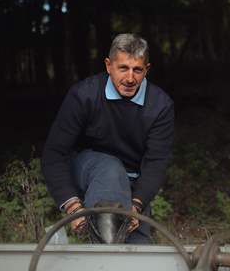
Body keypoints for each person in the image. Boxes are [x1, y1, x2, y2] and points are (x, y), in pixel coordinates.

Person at [41, 33, 174, 243]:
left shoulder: (160, 105)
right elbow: (54, 154)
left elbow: (156, 163)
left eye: (137, 70)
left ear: (147, 69)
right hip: (89, 169)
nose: (130, 78)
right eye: (123, 68)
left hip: (133, 181)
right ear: (108, 65)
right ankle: (105, 246)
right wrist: (72, 206)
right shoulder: (84, 95)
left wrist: (137, 205)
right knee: (110, 168)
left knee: (138, 249)